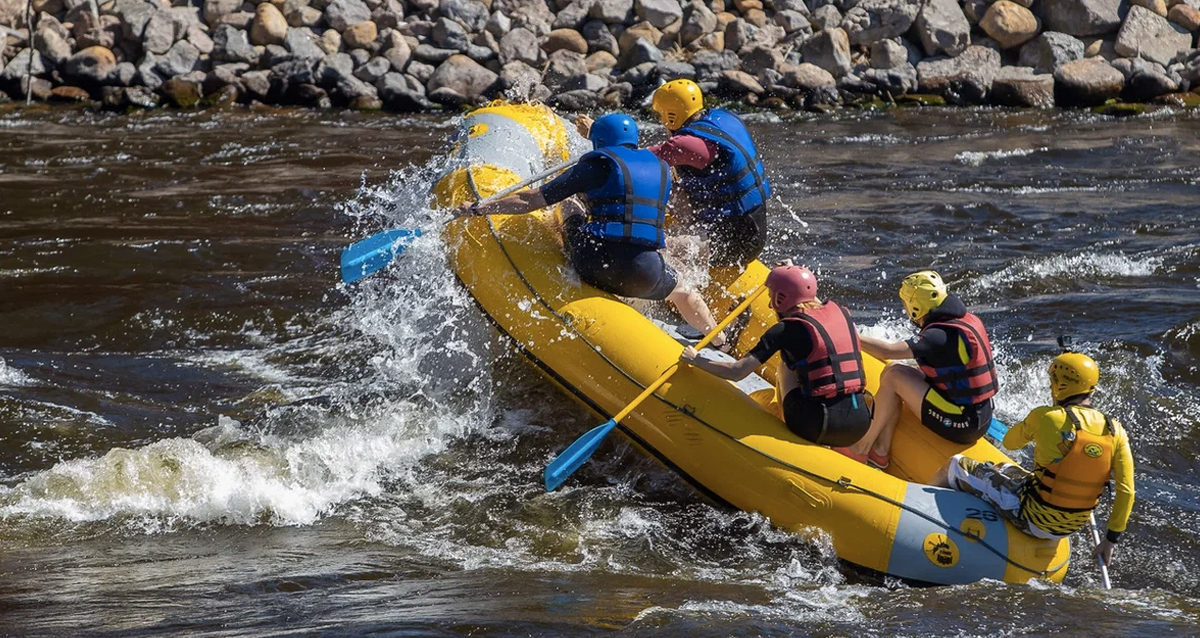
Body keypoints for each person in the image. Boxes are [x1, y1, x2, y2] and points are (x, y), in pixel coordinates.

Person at [456, 113, 726, 345]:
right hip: (645, 271)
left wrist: (480, 207)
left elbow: (531, 199)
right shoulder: (662, 169)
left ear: (598, 141)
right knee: (685, 292)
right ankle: (719, 341)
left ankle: (563, 236)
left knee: (571, 204)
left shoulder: (595, 164)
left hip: (595, 262)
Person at [931, 349, 1135, 566]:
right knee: (1006, 469)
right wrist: (1110, 540)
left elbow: (1010, 441)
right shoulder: (1116, 431)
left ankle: (921, 511)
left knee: (956, 464)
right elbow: (1127, 491)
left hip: (1032, 517)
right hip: (1071, 526)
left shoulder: (1047, 417)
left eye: (1052, 380)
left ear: (1060, 384)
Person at [577, 80, 772, 268]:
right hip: (753, 227)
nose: (660, 122)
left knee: (649, 248)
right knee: (670, 185)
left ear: (671, 116)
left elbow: (631, 163)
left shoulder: (685, 144)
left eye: (660, 116)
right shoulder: (723, 118)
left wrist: (596, 132)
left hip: (735, 244)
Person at [678, 265, 872, 447]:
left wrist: (696, 359)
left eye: (772, 297)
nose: (770, 305)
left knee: (785, 366)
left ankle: (781, 419)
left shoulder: (785, 330)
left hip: (818, 425)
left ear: (781, 299)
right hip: (859, 425)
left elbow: (737, 372)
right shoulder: (840, 313)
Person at [837, 270, 998, 469]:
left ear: (915, 306)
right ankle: (880, 451)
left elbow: (887, 351)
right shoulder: (964, 320)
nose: (904, 309)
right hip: (980, 415)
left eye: (905, 304)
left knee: (895, 376)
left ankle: (860, 448)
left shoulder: (938, 336)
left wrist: (847, 335)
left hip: (962, 423)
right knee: (894, 371)